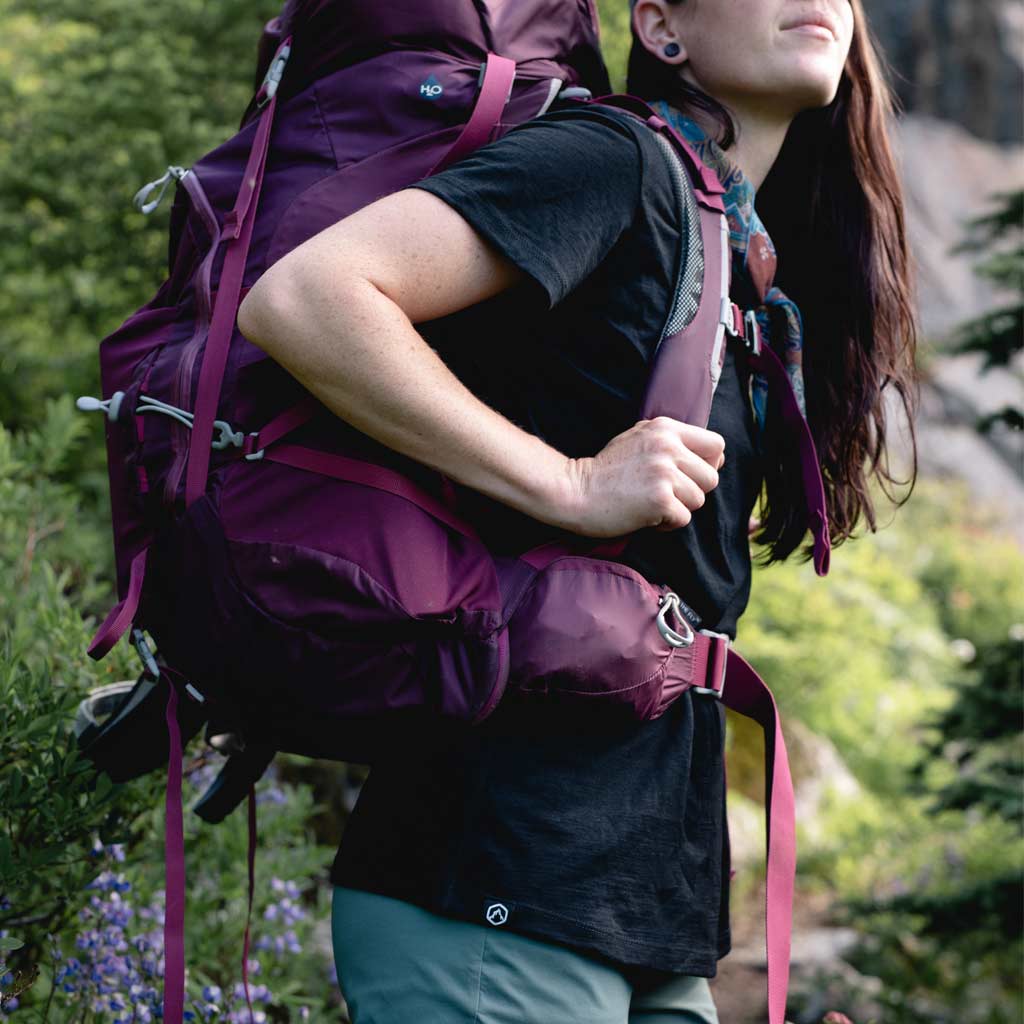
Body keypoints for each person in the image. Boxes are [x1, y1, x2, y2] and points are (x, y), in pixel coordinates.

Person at [237, 0, 917, 1020]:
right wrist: (567, 482)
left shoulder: (740, 252)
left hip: (643, 900)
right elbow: (308, 298)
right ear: (661, 26)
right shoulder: (616, 163)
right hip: (492, 881)